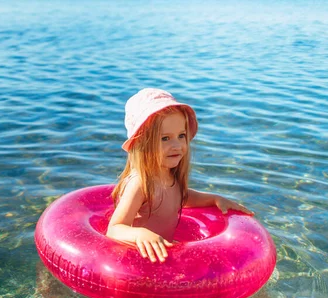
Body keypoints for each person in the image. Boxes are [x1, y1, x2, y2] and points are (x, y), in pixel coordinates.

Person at [106, 88, 253, 263]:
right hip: (138, 259)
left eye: (181, 136)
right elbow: (114, 229)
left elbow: (182, 197)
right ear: (143, 143)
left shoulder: (169, 176)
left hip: (162, 256)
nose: (176, 145)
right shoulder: (140, 183)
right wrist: (140, 234)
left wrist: (214, 199)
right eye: (165, 138)